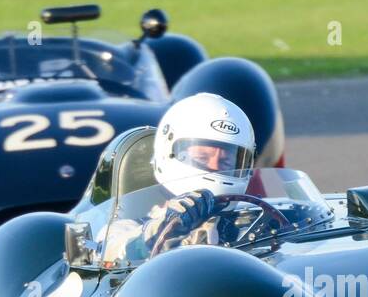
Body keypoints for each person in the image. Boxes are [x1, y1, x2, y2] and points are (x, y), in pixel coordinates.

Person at [105, 93, 257, 264]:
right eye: (202, 157)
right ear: (168, 151)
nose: (214, 168)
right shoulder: (133, 222)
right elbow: (112, 254)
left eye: (226, 162)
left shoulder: (250, 221)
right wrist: (165, 227)